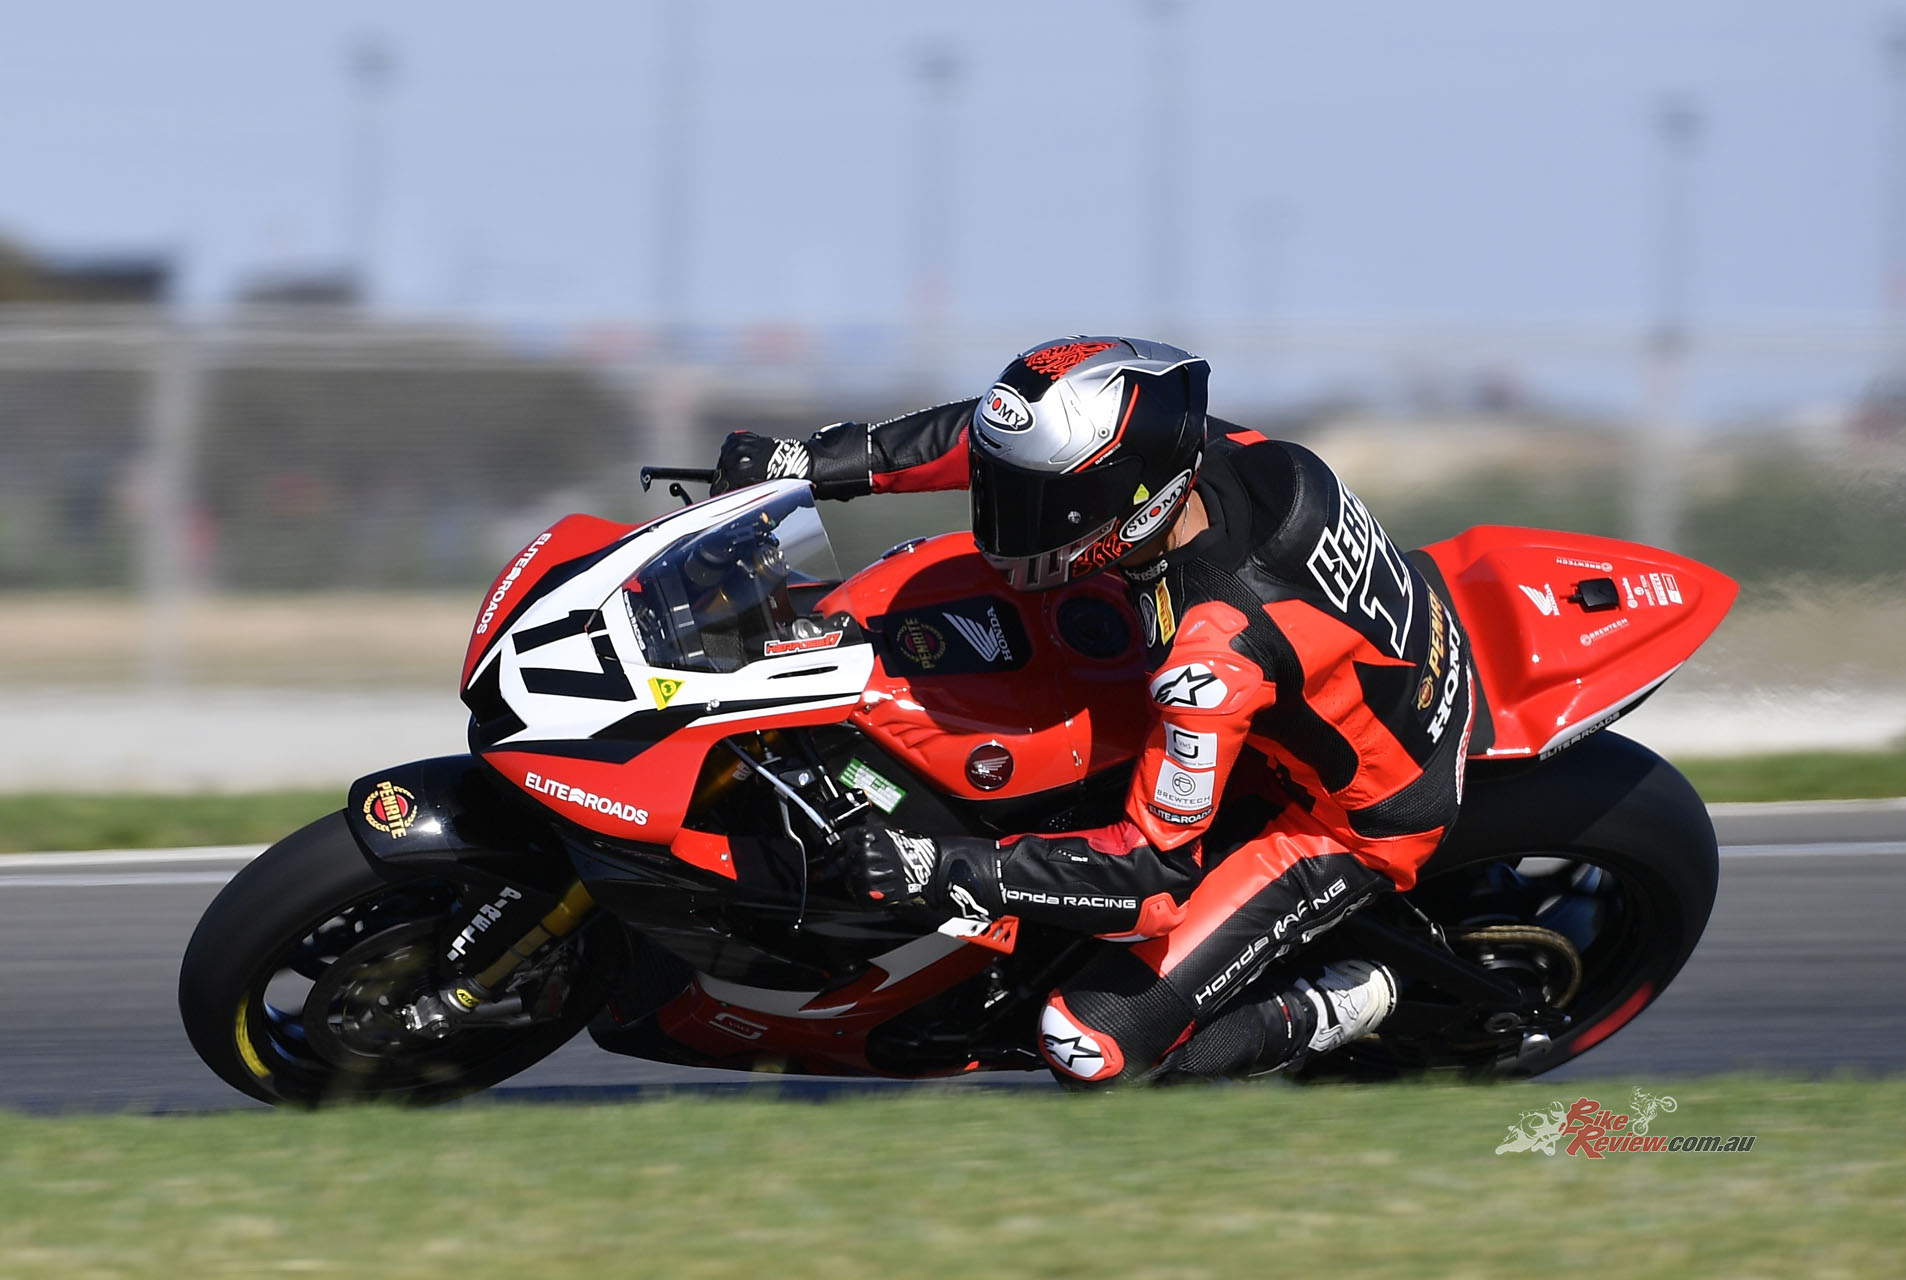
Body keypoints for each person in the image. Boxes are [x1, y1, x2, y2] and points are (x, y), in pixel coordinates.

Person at [709, 336, 1473, 1086]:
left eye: (1040, 506)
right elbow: (986, 437)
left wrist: (945, 867)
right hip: (1368, 665)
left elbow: (1151, 874)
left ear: (1133, 506)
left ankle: (1353, 997)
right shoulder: (1206, 451)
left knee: (1087, 1043)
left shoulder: (1208, 658)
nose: (1005, 516)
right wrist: (809, 462)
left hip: (1348, 820)